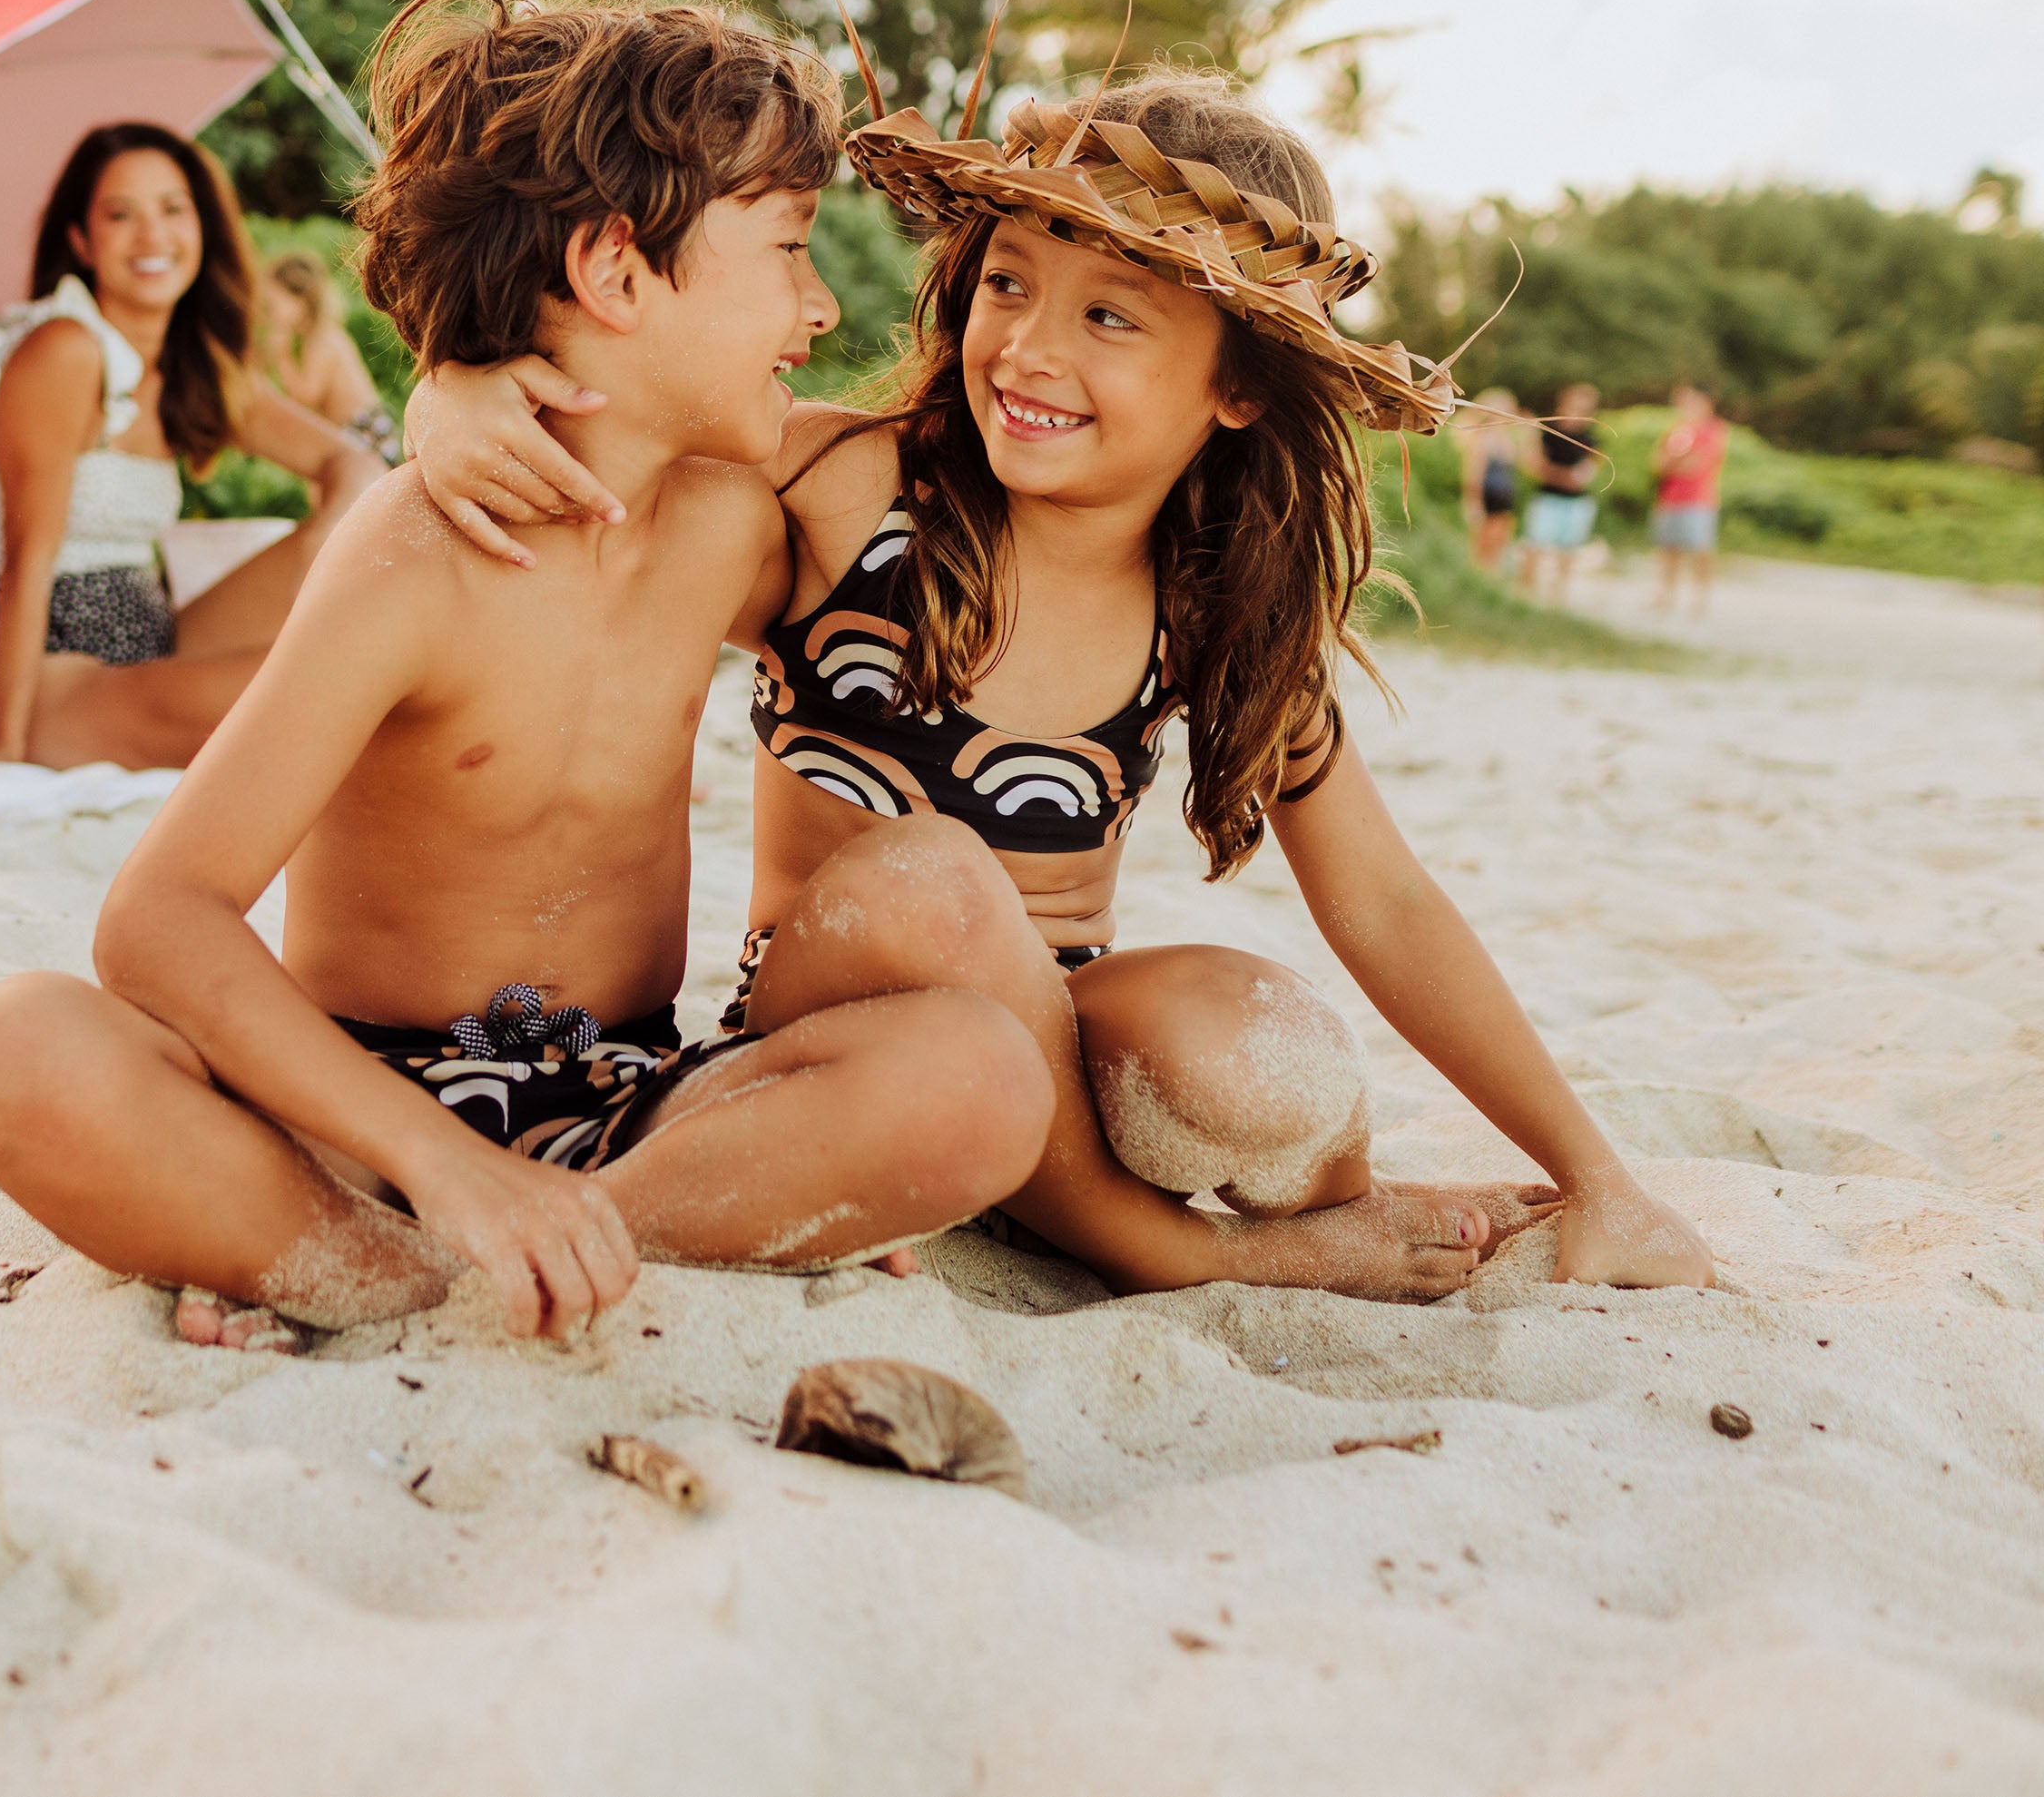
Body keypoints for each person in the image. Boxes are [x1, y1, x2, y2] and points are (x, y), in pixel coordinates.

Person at [412, 73, 1713, 1299]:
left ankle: (1311, 1208)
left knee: (1265, 1046)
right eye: (1009, 285)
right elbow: (622, 489)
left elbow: (1379, 897)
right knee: (937, 879)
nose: (1028, 349)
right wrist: (451, 394)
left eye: (1108, 316)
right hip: (842, 1036)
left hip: (1060, 1044)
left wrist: (1600, 1174)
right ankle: (1177, 1255)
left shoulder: (1211, 602)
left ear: (1241, 385)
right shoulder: (845, 489)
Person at [0, 0, 1053, 1352]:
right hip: (357, 1113)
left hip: (637, 1102)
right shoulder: (416, 554)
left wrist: (444, 377)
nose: (820, 307)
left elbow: (1008, 482)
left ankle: (550, 1238)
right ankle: (407, 1251)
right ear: (615, 271)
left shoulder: (735, 513)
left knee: (981, 1081)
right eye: (788, 248)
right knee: (17, 1050)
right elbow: (157, 920)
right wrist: (438, 1160)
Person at [0, 123, 383, 769]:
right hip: (55, 677)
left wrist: (339, 540)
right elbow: (28, 559)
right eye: (120, 215)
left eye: (172, 209)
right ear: (81, 240)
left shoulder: (195, 365)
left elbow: (351, 461)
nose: (152, 236)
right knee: (341, 684)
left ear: (201, 226)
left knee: (356, 543)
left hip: (160, 640)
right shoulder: (63, 350)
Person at [251, 247, 401, 463]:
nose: (270, 314)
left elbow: (307, 395)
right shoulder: (310, 339)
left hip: (364, 431)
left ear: (301, 301)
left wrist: (282, 355)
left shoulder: (324, 339)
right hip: (348, 431)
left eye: (273, 305)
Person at [1519, 381, 1603, 604]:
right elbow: (1535, 467)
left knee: (1567, 552)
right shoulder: (1549, 432)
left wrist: (1552, 472)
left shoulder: (1591, 438)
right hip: (1547, 498)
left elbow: (1582, 477)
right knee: (1534, 547)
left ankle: (1557, 598)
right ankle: (1526, 595)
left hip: (1575, 503)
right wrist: (1562, 475)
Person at [1651, 382, 1728, 615]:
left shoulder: (1714, 429)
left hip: (1698, 500)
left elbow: (1699, 463)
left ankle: (1700, 601)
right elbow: (1657, 463)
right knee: (1669, 550)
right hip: (1670, 499)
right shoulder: (1678, 428)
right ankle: (1665, 597)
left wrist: (1673, 463)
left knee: (1701, 552)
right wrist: (1675, 463)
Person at [1456, 385, 1525, 573]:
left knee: (1498, 544)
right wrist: (1472, 501)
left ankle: (1491, 578)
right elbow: (1473, 473)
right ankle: (1480, 579)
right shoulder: (1482, 437)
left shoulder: (1508, 439)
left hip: (1504, 498)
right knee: (1482, 546)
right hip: (1488, 498)